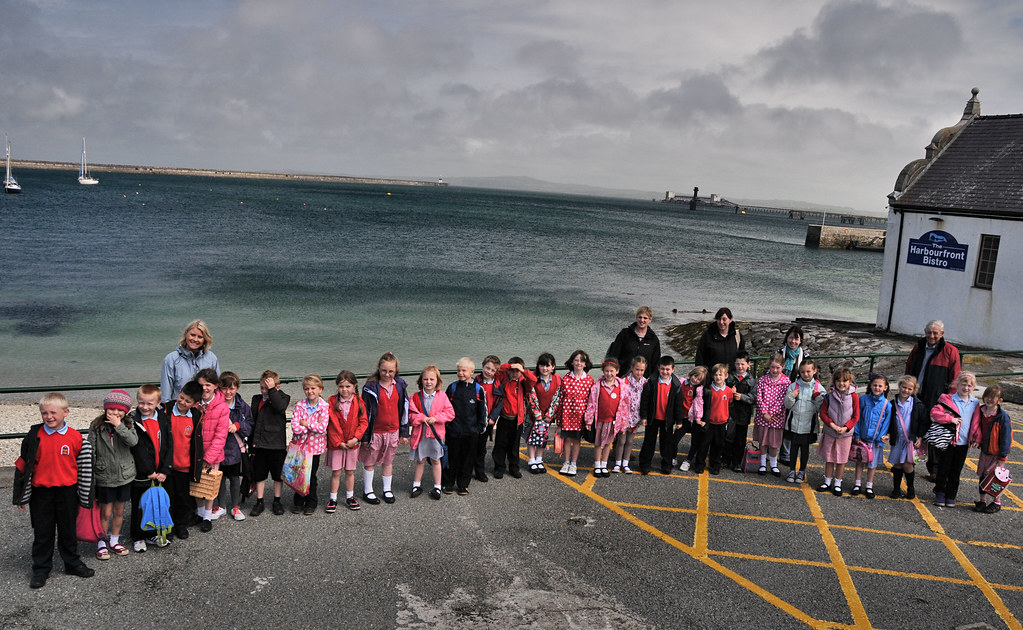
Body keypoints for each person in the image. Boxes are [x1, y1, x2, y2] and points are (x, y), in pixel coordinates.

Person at [13, 392, 96, 588]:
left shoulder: (76, 438)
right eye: (44, 413)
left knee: (68, 530)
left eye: (53, 412)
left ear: (66, 412)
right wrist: (22, 496)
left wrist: (86, 495)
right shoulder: (34, 437)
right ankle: (41, 568)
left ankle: (72, 563)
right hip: (41, 493)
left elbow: (85, 468)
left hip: (67, 491)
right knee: (43, 532)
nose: (49, 417)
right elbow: (23, 466)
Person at [905, 320, 961, 481]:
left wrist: (947, 400)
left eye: (935, 333)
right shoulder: (919, 347)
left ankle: (934, 469)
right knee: (912, 427)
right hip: (916, 395)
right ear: (925, 332)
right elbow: (909, 366)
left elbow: (955, 378)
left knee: (935, 433)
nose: (932, 336)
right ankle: (908, 462)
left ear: (942, 334)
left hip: (937, 399)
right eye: (929, 332)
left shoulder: (950, 351)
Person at [89, 389, 138, 560]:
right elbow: (91, 451)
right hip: (104, 476)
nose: (115, 413)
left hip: (125, 475)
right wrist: (92, 478)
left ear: (125, 411)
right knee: (105, 512)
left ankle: (115, 539)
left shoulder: (129, 424)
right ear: (105, 409)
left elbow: (133, 441)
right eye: (111, 409)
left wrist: (119, 426)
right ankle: (101, 542)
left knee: (119, 511)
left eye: (119, 410)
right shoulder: (97, 426)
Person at [360, 352, 410, 505]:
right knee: (370, 461)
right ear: (379, 369)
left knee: (388, 461)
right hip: (376, 432)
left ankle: (387, 489)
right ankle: (368, 490)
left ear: (396, 371)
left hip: (393, 430)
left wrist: (404, 432)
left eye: (391, 371)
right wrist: (365, 436)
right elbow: (365, 412)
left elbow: (404, 409)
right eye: (384, 370)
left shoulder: (400, 385)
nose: (387, 374)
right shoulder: (370, 387)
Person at [128, 384, 173, 552]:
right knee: (140, 504)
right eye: (141, 403)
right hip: (142, 473)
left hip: (160, 471)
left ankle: (153, 532)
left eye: (149, 403)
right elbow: (137, 448)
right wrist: (148, 471)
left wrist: (165, 469)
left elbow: (169, 444)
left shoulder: (163, 418)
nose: (145, 407)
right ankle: (138, 535)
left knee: (157, 503)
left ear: (158, 403)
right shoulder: (133, 420)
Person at [930, 372, 979, 508]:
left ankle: (951, 495)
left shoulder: (975, 403)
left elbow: (977, 422)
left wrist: (976, 437)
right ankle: (940, 492)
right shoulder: (948, 399)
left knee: (956, 471)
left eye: (969, 385)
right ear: (957, 385)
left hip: (963, 443)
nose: (966, 388)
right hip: (949, 441)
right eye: (963, 384)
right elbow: (934, 413)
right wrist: (950, 419)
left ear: (973, 387)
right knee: (943, 469)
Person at [163, 380, 204, 539]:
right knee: (167, 497)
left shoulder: (195, 416)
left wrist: (197, 465)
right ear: (179, 392)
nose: (183, 402)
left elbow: (196, 442)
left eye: (188, 401)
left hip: (185, 466)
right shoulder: (165, 410)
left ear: (195, 404)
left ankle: (181, 525)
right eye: (182, 397)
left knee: (183, 498)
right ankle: (167, 526)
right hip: (167, 465)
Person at [249, 370, 291, 517]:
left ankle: (277, 500)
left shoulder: (283, 397)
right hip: (260, 444)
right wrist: (251, 443)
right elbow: (253, 421)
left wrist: (272, 390)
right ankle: (259, 501)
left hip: (276, 444)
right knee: (259, 474)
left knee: (277, 475)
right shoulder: (256, 399)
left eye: (267, 388)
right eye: (262, 388)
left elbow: (279, 407)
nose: (264, 391)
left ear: (276, 387)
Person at [409, 366, 454, 499]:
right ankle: (416, 485)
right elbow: (410, 415)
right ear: (421, 381)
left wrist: (437, 418)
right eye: (425, 379)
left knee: (436, 460)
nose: (428, 382)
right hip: (421, 435)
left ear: (437, 381)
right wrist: (422, 418)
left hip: (435, 435)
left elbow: (450, 413)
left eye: (431, 379)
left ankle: (437, 487)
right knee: (420, 460)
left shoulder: (442, 396)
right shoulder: (415, 397)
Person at [443, 359, 488, 494]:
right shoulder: (452, 387)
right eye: (458, 370)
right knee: (453, 458)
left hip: (471, 432)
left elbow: (483, 411)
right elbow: (445, 408)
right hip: (454, 432)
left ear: (472, 372)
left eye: (464, 370)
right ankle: (449, 482)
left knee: (468, 459)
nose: (460, 373)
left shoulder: (479, 389)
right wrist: (448, 427)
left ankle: (463, 485)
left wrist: (479, 429)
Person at [326, 371, 368, 512]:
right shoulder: (332, 401)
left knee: (350, 471)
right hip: (337, 444)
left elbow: (363, 422)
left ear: (354, 386)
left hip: (352, 443)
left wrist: (356, 439)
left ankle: (350, 496)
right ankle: (333, 498)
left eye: (348, 386)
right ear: (337, 386)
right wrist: (338, 442)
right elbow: (331, 424)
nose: (344, 389)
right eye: (341, 386)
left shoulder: (359, 401)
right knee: (336, 472)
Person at [194, 368, 230, 532]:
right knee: (195, 484)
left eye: (208, 385)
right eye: (201, 385)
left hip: (212, 454)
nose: (204, 389)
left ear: (215, 385)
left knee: (209, 485)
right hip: (195, 452)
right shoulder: (194, 403)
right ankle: (200, 512)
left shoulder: (222, 407)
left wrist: (208, 458)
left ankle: (208, 515)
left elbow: (220, 436)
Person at [638, 355, 686, 475]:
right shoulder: (652, 382)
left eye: (667, 369)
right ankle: (645, 464)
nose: (665, 371)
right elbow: (645, 400)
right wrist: (644, 416)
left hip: (667, 420)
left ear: (673, 369)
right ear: (658, 368)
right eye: (662, 369)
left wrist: (679, 421)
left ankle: (666, 464)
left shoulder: (676, 385)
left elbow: (679, 404)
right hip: (652, 417)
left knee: (667, 443)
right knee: (649, 442)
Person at [968, 385, 1012, 513]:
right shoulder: (981, 411)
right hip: (985, 451)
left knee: (994, 478)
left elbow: (1006, 438)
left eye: (993, 398)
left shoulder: (1002, 417)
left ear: (1000, 400)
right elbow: (977, 428)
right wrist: (976, 440)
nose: (989, 400)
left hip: (996, 452)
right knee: (982, 476)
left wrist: (1002, 457)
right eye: (987, 396)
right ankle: (982, 500)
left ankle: (997, 502)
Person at [215, 371, 253, 521]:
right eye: (224, 388)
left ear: (237, 388)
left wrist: (238, 425)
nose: (228, 392)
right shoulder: (215, 404)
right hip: (219, 448)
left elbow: (250, 424)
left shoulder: (242, 406)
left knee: (235, 478)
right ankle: (221, 506)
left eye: (231, 388)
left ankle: (235, 506)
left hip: (236, 448)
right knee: (220, 478)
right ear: (219, 388)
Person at [290, 374, 330, 514]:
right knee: (299, 474)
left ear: (320, 389)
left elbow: (322, 428)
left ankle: (311, 502)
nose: (310, 391)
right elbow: (295, 427)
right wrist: (312, 426)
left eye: (313, 388)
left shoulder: (324, 407)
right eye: (307, 389)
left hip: (315, 448)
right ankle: (299, 501)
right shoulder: (300, 405)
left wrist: (306, 424)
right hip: (300, 446)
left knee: (311, 475)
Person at [816, 368, 860, 496]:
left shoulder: (854, 396)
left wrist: (846, 427)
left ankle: (838, 483)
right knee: (829, 458)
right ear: (834, 382)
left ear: (850, 381)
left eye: (845, 381)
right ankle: (827, 481)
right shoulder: (829, 396)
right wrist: (833, 425)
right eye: (839, 381)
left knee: (841, 459)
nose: (842, 383)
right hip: (831, 431)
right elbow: (823, 413)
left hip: (845, 434)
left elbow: (856, 416)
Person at [584, 358, 631, 478]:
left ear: (617, 371)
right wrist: (589, 420)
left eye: (611, 371)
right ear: (603, 371)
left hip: (613, 421)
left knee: (607, 444)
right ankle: (597, 465)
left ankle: (604, 465)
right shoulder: (597, 386)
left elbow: (625, 406)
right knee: (598, 443)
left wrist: (623, 423)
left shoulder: (622, 387)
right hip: (600, 421)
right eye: (606, 371)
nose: (609, 374)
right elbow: (591, 403)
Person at [492, 357, 537, 479]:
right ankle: (499, 467)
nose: (514, 374)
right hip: (504, 418)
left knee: (514, 446)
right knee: (500, 445)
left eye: (517, 371)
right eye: (512, 371)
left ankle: (513, 467)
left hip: (517, 420)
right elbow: (499, 370)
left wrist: (523, 370)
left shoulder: (523, 382)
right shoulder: (504, 380)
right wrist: (510, 366)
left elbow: (533, 379)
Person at [688, 363, 734, 475]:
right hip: (709, 422)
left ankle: (715, 465)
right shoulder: (707, 390)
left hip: (722, 422)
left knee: (718, 446)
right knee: (703, 445)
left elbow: (730, 403)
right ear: (712, 376)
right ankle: (699, 464)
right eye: (716, 375)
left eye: (720, 375)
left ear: (726, 376)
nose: (718, 377)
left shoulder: (728, 391)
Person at [782, 360, 824, 484]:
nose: (805, 374)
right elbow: (787, 405)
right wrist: (791, 396)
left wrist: (817, 399)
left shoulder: (818, 388)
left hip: (808, 425)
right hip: (794, 423)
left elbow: (820, 409)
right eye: (802, 372)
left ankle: (801, 471)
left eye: (808, 371)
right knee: (793, 448)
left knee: (805, 449)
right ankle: (791, 470)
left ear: (814, 371)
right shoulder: (793, 386)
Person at [851, 373, 892, 499]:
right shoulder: (863, 400)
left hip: (875, 440)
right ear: (870, 385)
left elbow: (886, 423)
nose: (877, 388)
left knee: (872, 464)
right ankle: (857, 484)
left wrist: (881, 441)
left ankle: (869, 485)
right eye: (875, 385)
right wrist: (857, 434)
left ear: (885, 388)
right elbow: (857, 418)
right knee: (859, 461)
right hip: (862, 438)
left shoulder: (887, 405)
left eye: (880, 386)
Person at [161, 319, 219, 404]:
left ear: (205, 339)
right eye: (192, 335)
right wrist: (166, 412)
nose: (195, 339)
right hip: (180, 410)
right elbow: (166, 393)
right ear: (186, 334)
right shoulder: (171, 359)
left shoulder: (211, 358)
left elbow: (217, 389)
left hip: (206, 411)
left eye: (200, 337)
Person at [888, 375, 926, 500]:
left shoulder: (918, 405)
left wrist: (920, 437)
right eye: (904, 387)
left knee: (908, 464)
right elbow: (888, 421)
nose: (906, 390)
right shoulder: (893, 404)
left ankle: (910, 487)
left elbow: (923, 422)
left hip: (910, 440)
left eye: (910, 389)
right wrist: (888, 434)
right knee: (898, 464)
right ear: (899, 387)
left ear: (914, 390)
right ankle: (896, 488)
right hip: (898, 439)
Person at [558, 350, 594, 477]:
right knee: (567, 439)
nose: (579, 363)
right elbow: (561, 398)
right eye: (576, 360)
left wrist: (589, 418)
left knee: (577, 440)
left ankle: (573, 463)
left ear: (586, 364)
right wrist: (558, 418)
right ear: (572, 362)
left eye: (582, 360)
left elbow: (591, 401)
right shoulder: (566, 378)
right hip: (567, 414)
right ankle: (566, 462)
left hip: (580, 416)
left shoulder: (589, 380)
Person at [777, 325, 809, 466]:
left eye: (796, 339)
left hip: (796, 395)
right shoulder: (779, 353)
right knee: (775, 423)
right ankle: (769, 453)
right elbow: (771, 371)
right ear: (786, 338)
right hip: (777, 394)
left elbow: (809, 376)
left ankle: (785, 454)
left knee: (790, 425)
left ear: (800, 340)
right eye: (791, 338)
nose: (793, 341)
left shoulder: (805, 357)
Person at [753, 354, 790, 477]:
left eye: (777, 368)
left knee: (774, 442)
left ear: (783, 367)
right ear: (769, 366)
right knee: (763, 441)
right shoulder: (763, 380)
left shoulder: (786, 382)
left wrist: (772, 413)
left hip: (776, 417)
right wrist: (764, 412)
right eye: (773, 367)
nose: (775, 370)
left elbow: (783, 400)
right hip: (763, 416)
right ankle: (762, 462)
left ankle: (773, 464)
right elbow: (759, 397)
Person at [525, 353, 560, 474]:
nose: (545, 368)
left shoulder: (557, 379)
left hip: (547, 416)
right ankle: (531, 460)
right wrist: (536, 413)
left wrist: (550, 414)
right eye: (542, 365)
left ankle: (539, 459)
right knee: (532, 437)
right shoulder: (534, 378)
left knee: (542, 435)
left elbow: (557, 398)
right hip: (533, 415)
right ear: (538, 366)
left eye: (548, 366)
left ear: (553, 367)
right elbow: (531, 396)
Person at [612, 356, 647, 473]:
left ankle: (626, 463)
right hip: (624, 416)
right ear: (632, 368)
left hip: (636, 416)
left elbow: (645, 400)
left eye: (642, 370)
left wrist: (643, 416)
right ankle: (617, 463)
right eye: (637, 369)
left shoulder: (645, 383)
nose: (639, 372)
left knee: (630, 441)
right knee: (621, 440)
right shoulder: (624, 381)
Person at [724, 353, 757, 473]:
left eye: (743, 364)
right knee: (728, 436)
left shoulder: (752, 381)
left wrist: (742, 397)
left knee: (740, 438)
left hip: (743, 413)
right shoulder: (729, 377)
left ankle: (737, 461)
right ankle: (726, 459)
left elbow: (754, 398)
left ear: (748, 364)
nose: (740, 366)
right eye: (737, 364)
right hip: (729, 412)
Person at [607, 306, 661, 378]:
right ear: (636, 317)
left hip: (643, 381)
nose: (642, 320)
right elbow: (614, 355)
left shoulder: (653, 339)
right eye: (640, 317)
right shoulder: (624, 334)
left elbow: (655, 363)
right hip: (622, 378)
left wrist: (651, 380)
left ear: (650, 320)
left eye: (645, 318)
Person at [473, 355, 503, 482]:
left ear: (496, 372)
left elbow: (500, 402)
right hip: (474, 420)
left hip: (487, 421)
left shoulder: (497, 384)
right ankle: (466, 469)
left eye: (492, 370)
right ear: (482, 366)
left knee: (481, 448)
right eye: (487, 368)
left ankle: (480, 471)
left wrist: (493, 417)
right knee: (470, 446)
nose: (488, 372)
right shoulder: (475, 381)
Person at [677, 365, 707, 471]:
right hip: (683, 417)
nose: (695, 379)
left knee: (695, 442)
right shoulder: (681, 383)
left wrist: (698, 419)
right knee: (675, 439)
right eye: (695, 376)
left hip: (694, 419)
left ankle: (688, 460)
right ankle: (673, 456)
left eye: (699, 379)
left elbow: (699, 405)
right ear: (691, 374)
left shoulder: (699, 390)